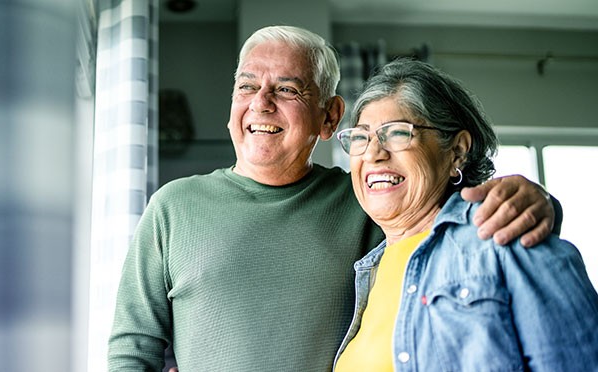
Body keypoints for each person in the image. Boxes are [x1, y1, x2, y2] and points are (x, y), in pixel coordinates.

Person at [108, 25, 558, 371]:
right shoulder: (172, 207)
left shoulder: (366, 200)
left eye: (287, 89)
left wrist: (543, 203)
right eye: (246, 86)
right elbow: (132, 347)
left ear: (329, 117)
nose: (261, 103)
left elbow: (444, 209)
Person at [333, 58, 598, 371]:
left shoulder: (505, 233)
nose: (374, 154)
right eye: (361, 138)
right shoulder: (366, 270)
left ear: (457, 150)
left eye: (397, 133)